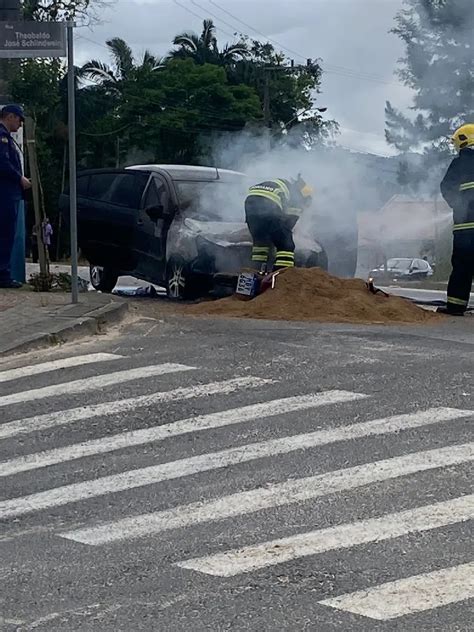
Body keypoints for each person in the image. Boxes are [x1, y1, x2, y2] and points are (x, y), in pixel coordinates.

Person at [438, 123, 474, 316]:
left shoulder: (460, 162)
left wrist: (458, 206)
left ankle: (456, 306)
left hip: (465, 228)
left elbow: (446, 187)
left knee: (462, 267)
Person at [245, 175, 313, 272]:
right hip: (267, 204)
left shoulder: (283, 184)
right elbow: (289, 222)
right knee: (286, 244)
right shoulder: (296, 196)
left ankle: (255, 271)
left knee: (261, 243)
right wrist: (282, 236)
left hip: (250, 205)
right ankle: (282, 277)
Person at [0, 104, 31, 288]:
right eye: (19, 119)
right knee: (5, 234)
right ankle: (3, 275)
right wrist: (20, 178)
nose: (20, 124)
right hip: (5, 193)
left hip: (8, 193)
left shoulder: (6, 138)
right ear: (10, 116)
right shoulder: (2, 137)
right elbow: (2, 163)